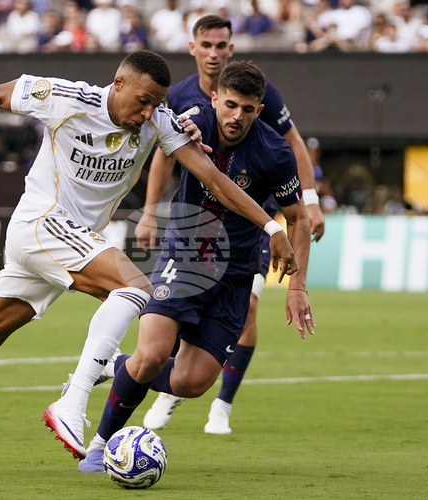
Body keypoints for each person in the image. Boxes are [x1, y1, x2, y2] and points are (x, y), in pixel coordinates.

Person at [0, 50, 296, 474]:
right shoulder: (67, 98)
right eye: (142, 100)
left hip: (66, 243)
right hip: (41, 223)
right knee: (136, 288)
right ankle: (73, 400)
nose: (147, 112)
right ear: (118, 83)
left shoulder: (159, 122)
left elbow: (214, 179)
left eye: (156, 103)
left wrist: (271, 227)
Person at [77, 61, 314, 472]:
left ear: (259, 110)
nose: (236, 116)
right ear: (215, 99)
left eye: (248, 109)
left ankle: (116, 365)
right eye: (230, 105)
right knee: (153, 355)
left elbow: (299, 219)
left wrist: (297, 287)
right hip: (185, 255)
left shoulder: (275, 153)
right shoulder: (195, 121)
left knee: (192, 382)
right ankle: (99, 446)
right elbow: (167, 130)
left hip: (235, 275)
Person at [136, 14, 324, 435]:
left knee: (250, 308)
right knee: (171, 326)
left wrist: (309, 201)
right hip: (194, 234)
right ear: (193, 48)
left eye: (222, 45)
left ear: (231, 49)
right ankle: (166, 379)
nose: (214, 53)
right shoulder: (181, 96)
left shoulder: (259, 91)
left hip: (251, 230)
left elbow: (293, 144)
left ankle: (221, 404)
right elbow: (164, 155)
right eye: (207, 45)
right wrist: (149, 210)